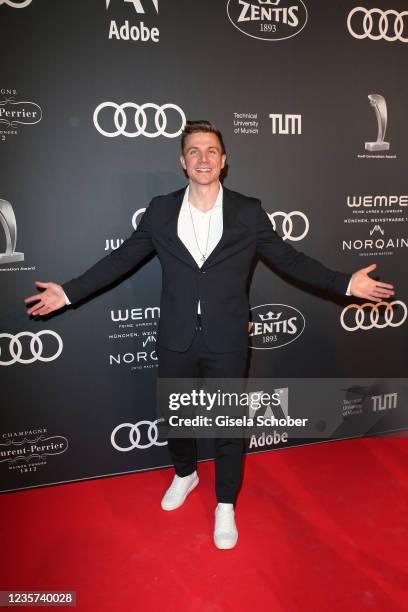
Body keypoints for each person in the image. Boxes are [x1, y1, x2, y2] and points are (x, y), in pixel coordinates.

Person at [24, 120, 395, 550]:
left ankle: (225, 504)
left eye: (212, 151)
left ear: (224, 160)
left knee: (226, 424)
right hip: (177, 335)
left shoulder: (248, 211)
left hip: (227, 337)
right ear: (183, 162)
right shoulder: (160, 209)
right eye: (195, 151)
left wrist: (345, 284)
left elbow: (291, 260)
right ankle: (185, 474)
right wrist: (68, 292)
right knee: (178, 419)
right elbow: (121, 260)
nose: (204, 158)